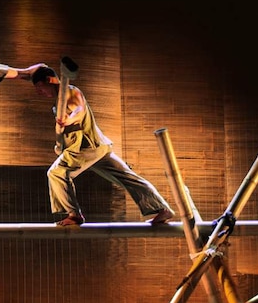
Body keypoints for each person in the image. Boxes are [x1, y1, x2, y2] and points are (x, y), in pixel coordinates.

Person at [31, 65, 175, 227]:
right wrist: (61, 145)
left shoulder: (70, 92)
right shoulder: (57, 104)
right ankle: (161, 209)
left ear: (50, 80)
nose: (39, 92)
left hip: (86, 148)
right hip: (97, 148)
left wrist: (68, 120)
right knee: (127, 177)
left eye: (40, 87)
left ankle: (74, 214)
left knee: (56, 173)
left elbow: (79, 109)